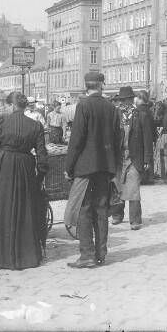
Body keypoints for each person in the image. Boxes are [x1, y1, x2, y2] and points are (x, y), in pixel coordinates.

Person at [0, 92, 47, 269]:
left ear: (12, 106)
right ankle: (25, 256)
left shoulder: (2, 121)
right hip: (25, 168)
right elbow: (43, 156)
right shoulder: (35, 126)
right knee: (24, 208)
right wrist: (39, 177)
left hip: (2, 166)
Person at [65, 72, 121, 268]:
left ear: (85, 86)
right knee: (101, 210)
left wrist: (68, 167)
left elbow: (76, 140)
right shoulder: (111, 107)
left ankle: (87, 254)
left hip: (85, 167)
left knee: (84, 209)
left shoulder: (84, 105)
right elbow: (117, 141)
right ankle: (101, 254)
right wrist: (114, 168)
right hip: (105, 167)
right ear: (102, 85)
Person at [110, 88, 154, 230]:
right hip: (119, 157)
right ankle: (117, 215)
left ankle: (135, 220)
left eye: (127, 100)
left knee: (133, 187)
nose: (125, 103)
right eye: (122, 101)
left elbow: (148, 138)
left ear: (132, 100)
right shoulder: (116, 115)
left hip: (135, 157)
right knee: (117, 187)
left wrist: (147, 159)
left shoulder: (141, 115)